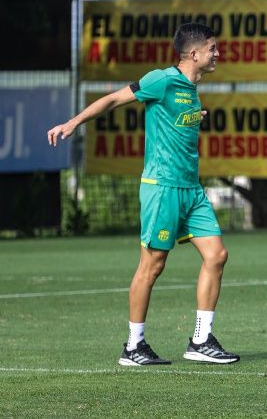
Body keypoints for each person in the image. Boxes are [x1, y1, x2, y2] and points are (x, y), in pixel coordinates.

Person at [47, 23, 239, 366]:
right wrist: (73, 123)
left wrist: (193, 117)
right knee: (152, 265)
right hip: (162, 188)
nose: (218, 54)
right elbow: (112, 99)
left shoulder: (192, 89)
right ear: (194, 53)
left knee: (217, 255)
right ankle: (134, 346)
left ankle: (200, 340)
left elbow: (175, 120)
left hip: (191, 190)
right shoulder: (161, 80)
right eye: (213, 48)